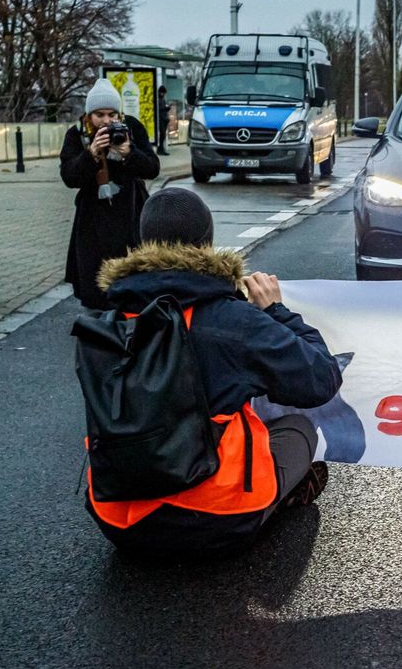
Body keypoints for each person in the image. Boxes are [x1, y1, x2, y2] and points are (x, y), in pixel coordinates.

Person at [85, 188, 342, 555]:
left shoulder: (107, 323)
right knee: (299, 430)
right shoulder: (233, 319)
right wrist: (274, 311)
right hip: (218, 522)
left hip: (118, 520)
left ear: (141, 243)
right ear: (207, 244)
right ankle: (271, 503)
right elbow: (321, 380)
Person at [60, 78, 160, 309]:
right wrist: (91, 153)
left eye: (112, 115)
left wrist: (128, 152)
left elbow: (152, 168)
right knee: (94, 280)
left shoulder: (131, 128)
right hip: (92, 218)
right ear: (89, 115)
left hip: (130, 211)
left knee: (133, 275)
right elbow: (69, 177)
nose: (106, 121)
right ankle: (97, 325)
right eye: (100, 115)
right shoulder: (77, 135)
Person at [155, 85, 170, 156]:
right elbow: (159, 109)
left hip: (164, 119)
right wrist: (166, 108)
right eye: (162, 93)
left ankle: (160, 148)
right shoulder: (158, 99)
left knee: (163, 135)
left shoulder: (162, 99)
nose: (163, 94)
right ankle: (160, 149)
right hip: (161, 119)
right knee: (162, 134)